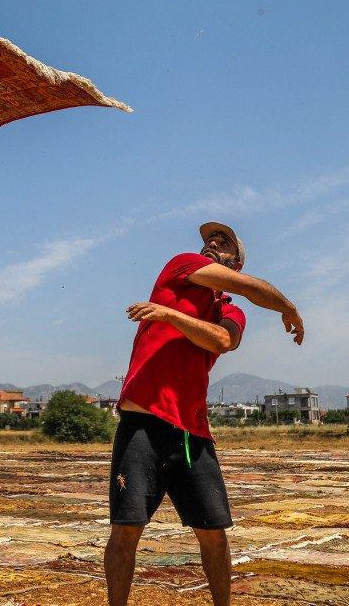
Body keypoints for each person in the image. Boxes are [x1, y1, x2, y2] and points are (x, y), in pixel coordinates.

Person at [105, 223, 304, 606]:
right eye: (209, 239)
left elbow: (223, 339)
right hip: (141, 423)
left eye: (223, 241)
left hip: (190, 431)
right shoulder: (182, 265)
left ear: (236, 262)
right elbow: (240, 300)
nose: (211, 243)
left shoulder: (231, 311)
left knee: (213, 532)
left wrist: (170, 316)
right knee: (125, 529)